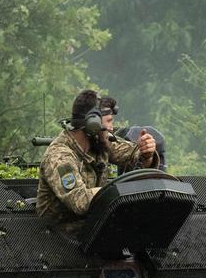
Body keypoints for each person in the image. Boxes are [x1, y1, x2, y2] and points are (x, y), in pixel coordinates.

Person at [36, 90, 159, 232]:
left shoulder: (100, 141)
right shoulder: (59, 157)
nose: (112, 128)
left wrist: (147, 153)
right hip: (56, 236)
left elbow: (133, 156)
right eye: (109, 121)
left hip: (92, 228)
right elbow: (80, 201)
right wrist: (119, 192)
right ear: (92, 124)